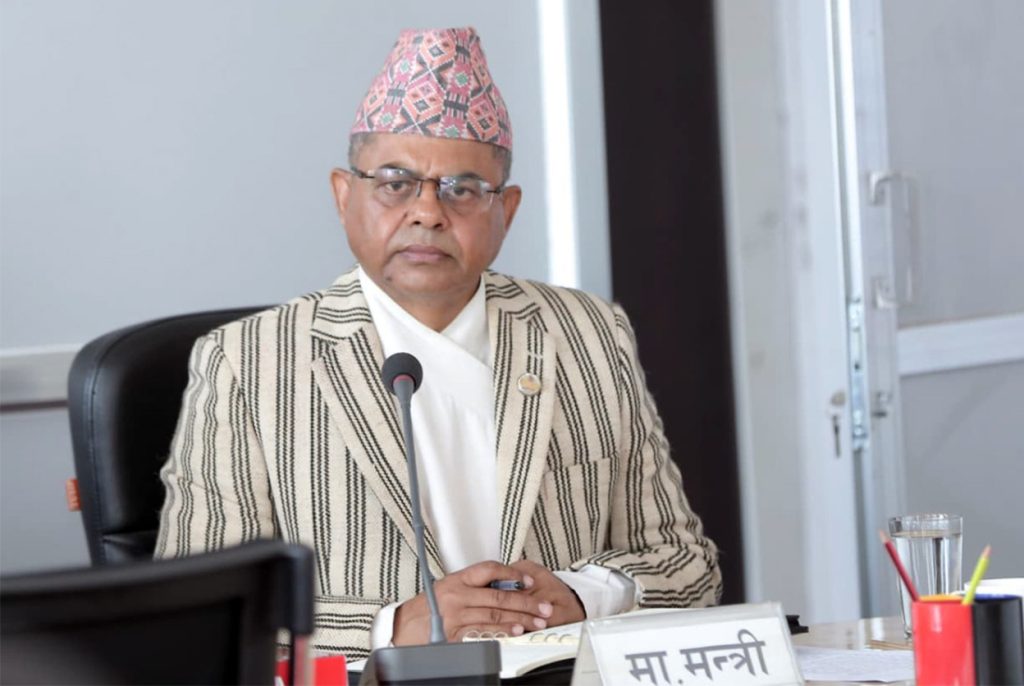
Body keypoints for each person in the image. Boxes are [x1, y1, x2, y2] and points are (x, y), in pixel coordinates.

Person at [155, 26, 721, 658]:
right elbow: (199, 612)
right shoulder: (248, 362)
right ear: (344, 196)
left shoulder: (587, 334)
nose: (427, 212)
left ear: (507, 209)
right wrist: (395, 627)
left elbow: (686, 566)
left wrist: (585, 593)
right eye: (395, 183)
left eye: (463, 189)